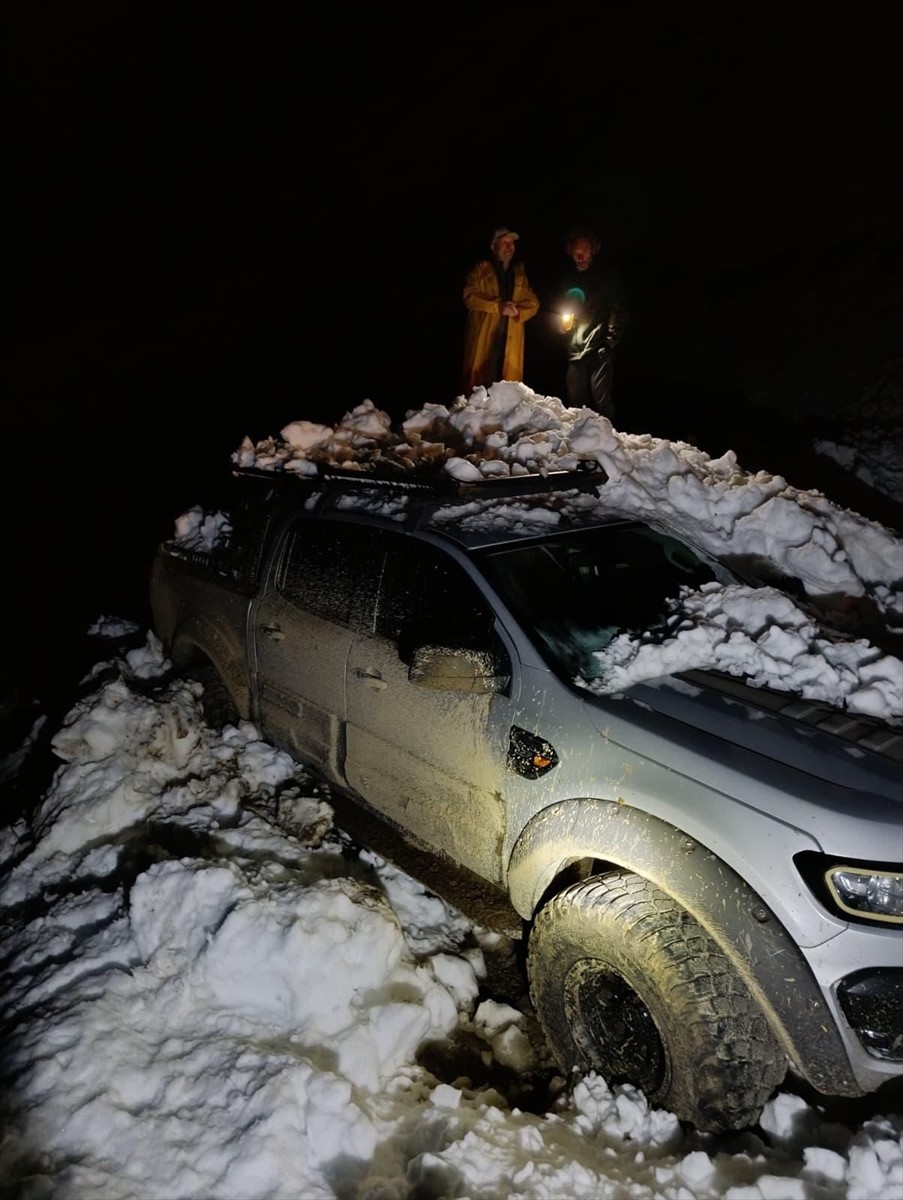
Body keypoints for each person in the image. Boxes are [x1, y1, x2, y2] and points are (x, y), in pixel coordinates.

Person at [554, 228, 628, 421]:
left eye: (586, 250)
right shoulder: (566, 281)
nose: (581, 255)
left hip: (599, 347)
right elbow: (562, 313)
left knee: (601, 402)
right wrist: (562, 329)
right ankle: (580, 447)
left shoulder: (605, 278)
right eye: (577, 250)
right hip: (574, 349)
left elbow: (618, 310)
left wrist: (609, 342)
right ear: (570, 252)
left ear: (593, 251)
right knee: (576, 406)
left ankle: (608, 445)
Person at [462, 226, 540, 393]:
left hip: (509, 342)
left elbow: (533, 302)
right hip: (486, 339)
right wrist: (498, 306)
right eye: (504, 242)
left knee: (507, 391)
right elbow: (470, 297)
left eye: (511, 243)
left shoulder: (519, 274)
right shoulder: (481, 270)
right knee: (478, 389)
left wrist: (518, 311)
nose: (509, 247)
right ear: (493, 246)